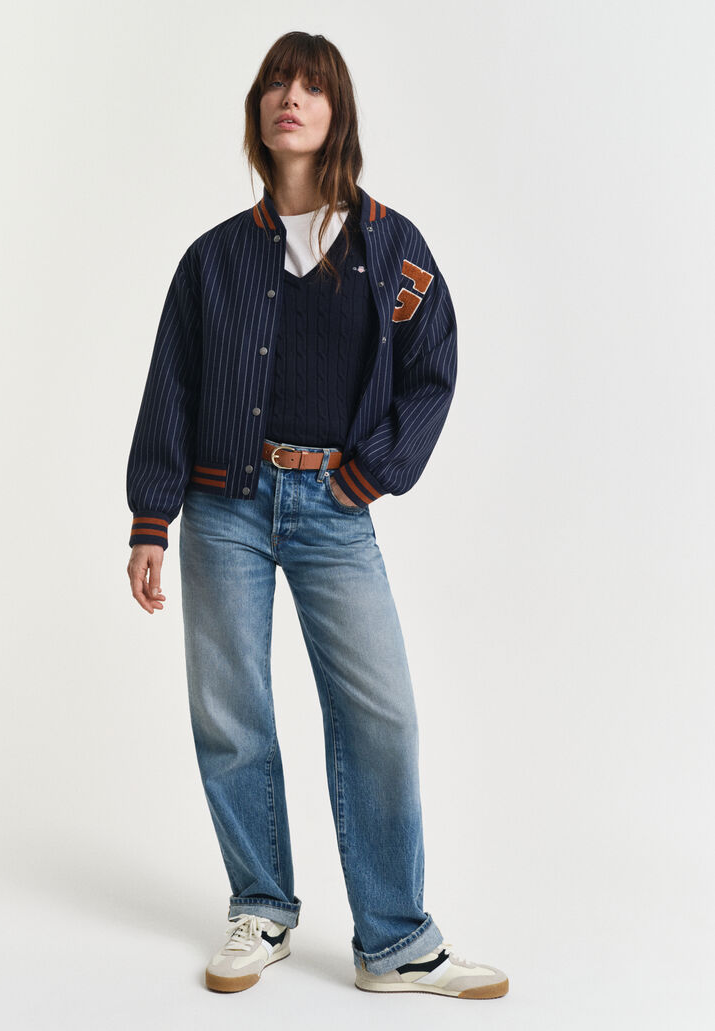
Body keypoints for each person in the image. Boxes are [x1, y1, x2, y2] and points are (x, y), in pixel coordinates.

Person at [125, 31, 508, 1000]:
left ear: (336, 111)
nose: (288, 97)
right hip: (223, 503)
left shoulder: (390, 245)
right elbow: (172, 385)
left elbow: (432, 366)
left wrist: (372, 470)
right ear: (257, 111)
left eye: (309, 85)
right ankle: (261, 905)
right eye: (274, 84)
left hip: (335, 510)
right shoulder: (213, 260)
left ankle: (395, 940)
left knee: (381, 713)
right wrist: (150, 520)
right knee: (231, 712)